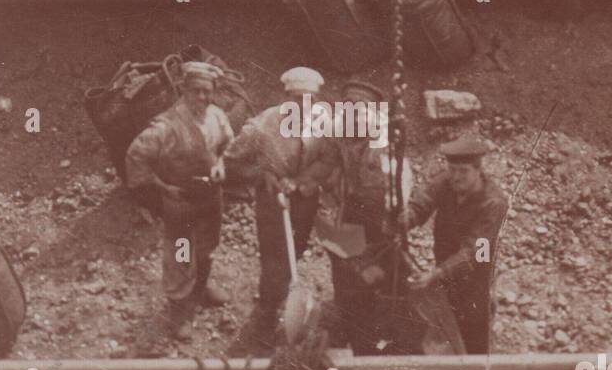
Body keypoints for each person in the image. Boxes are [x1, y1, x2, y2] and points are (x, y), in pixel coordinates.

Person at [225, 66, 340, 347]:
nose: (303, 105)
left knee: (295, 247)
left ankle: (287, 294)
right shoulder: (264, 125)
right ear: (285, 96)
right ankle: (267, 310)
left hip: (304, 196)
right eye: (297, 98)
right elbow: (232, 158)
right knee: (274, 254)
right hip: (272, 200)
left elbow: (329, 159)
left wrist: (302, 181)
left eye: (309, 98)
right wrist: (261, 174)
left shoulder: (325, 121)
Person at [125, 61, 233, 340]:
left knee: (208, 246)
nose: (202, 98)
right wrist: (158, 188)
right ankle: (179, 310)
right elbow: (135, 157)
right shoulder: (166, 126)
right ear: (183, 89)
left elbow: (227, 145)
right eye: (196, 91)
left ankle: (201, 289)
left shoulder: (217, 116)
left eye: (207, 92)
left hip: (211, 195)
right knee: (180, 254)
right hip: (180, 200)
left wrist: (221, 163)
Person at [320, 79, 409, 353]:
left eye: (360, 112)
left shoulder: (387, 151)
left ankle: (395, 338)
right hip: (348, 230)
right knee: (350, 289)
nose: (353, 118)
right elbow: (326, 211)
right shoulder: (334, 146)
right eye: (347, 111)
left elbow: (401, 196)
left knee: (393, 287)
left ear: (373, 116)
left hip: (383, 231)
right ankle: (354, 333)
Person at [405, 136, 509, 354]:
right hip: (444, 280)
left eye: (463, 171)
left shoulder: (494, 203)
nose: (456, 177)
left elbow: (473, 252)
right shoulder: (446, 183)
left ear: (478, 170)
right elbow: (422, 204)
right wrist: (407, 218)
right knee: (445, 341)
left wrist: (437, 273)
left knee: (474, 346)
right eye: (452, 169)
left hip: (474, 286)